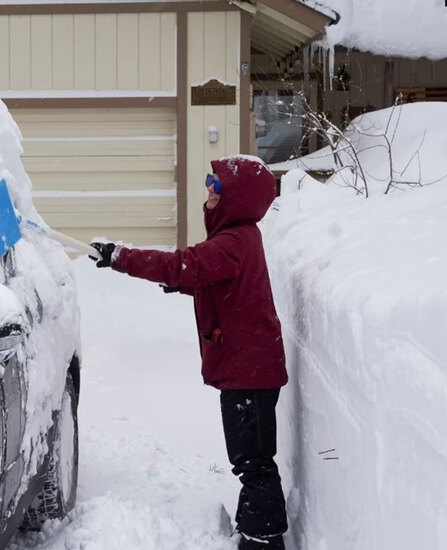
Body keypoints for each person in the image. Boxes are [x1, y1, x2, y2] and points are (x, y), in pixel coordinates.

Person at [89, 155, 288, 550]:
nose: (209, 190)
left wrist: (120, 257)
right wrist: (185, 284)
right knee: (250, 458)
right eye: (209, 181)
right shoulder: (238, 239)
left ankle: (264, 539)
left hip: (250, 371)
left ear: (239, 197)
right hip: (250, 367)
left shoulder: (234, 241)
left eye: (217, 186)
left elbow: (186, 264)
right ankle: (254, 529)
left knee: (253, 461)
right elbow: (206, 275)